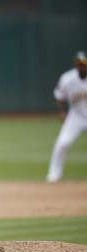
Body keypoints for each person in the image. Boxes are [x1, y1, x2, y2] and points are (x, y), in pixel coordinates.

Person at [46, 51, 87, 183]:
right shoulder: (67, 79)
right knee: (62, 143)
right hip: (76, 116)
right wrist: (62, 112)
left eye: (84, 64)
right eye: (79, 64)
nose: (81, 66)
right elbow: (59, 96)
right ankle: (54, 174)